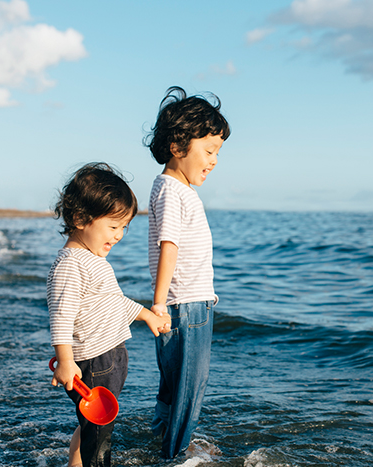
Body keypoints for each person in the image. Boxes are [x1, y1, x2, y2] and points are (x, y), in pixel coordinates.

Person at [47, 162, 171, 467]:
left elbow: (112, 302)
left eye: (124, 228)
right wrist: (65, 360)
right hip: (93, 360)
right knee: (99, 431)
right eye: (113, 226)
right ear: (80, 219)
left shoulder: (91, 260)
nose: (119, 236)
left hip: (109, 356)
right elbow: (61, 317)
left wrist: (145, 314)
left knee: (92, 424)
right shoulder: (71, 264)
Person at [143, 86, 231, 458]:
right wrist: (160, 303)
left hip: (186, 306)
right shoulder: (173, 191)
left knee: (173, 384)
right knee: (188, 388)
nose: (213, 160)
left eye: (218, 153)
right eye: (208, 150)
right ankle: (178, 454)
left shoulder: (172, 188)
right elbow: (169, 245)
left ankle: (166, 440)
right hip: (187, 308)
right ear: (178, 146)